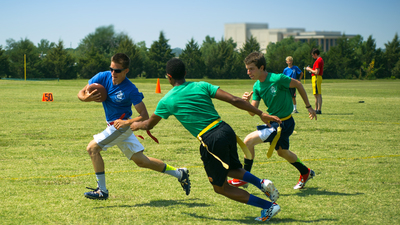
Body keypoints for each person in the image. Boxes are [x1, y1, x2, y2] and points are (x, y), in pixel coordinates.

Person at [130, 58, 281, 222]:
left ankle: (268, 207)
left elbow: (149, 124)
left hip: (211, 139)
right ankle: (262, 183)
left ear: (168, 77)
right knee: (230, 168)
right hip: (225, 129)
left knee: (220, 187)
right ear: (185, 73)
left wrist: (136, 125)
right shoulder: (201, 85)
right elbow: (234, 100)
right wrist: (260, 113)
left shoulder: (166, 101)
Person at [77, 53, 190, 200]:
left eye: (117, 71)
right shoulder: (103, 77)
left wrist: (126, 122)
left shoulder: (130, 89)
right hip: (114, 127)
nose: (113, 73)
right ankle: (180, 173)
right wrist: (85, 98)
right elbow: (82, 91)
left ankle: (102, 191)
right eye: (111, 69)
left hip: (121, 127)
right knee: (142, 161)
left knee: (92, 148)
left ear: (126, 71)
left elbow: (144, 115)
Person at [228, 52, 316, 190]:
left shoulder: (277, 78)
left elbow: (298, 84)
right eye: (247, 69)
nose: (248, 72)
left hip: (284, 123)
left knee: (248, 141)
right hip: (274, 123)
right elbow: (252, 112)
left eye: (251, 69)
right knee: (283, 152)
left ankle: (244, 178)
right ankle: (305, 172)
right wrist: (246, 102)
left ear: (261, 67)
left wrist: (309, 107)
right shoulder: (257, 86)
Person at [306, 48, 324, 114]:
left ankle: (318, 109)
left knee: (318, 94)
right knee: (316, 94)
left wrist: (309, 69)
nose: (312, 57)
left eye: (313, 55)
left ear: (315, 54)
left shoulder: (318, 61)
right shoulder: (319, 60)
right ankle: (316, 109)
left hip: (316, 77)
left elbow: (316, 72)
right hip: (316, 78)